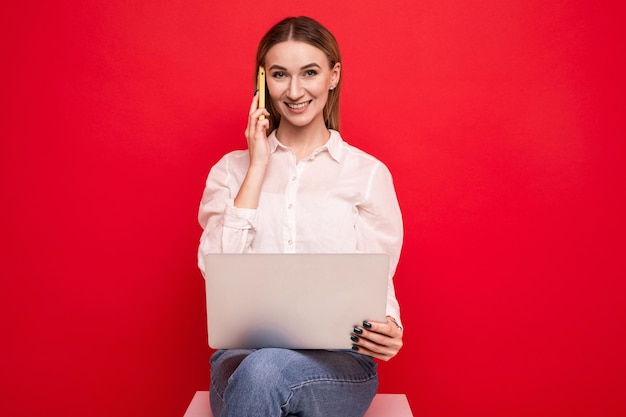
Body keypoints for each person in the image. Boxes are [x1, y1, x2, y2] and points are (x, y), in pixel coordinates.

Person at [197, 16, 404, 417]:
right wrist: (257, 166)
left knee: (266, 372)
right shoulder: (230, 171)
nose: (294, 91)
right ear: (261, 82)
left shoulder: (367, 174)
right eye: (279, 75)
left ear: (333, 75)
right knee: (260, 370)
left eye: (309, 72)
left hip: (337, 365)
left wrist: (390, 328)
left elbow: (377, 276)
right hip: (242, 362)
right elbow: (214, 269)